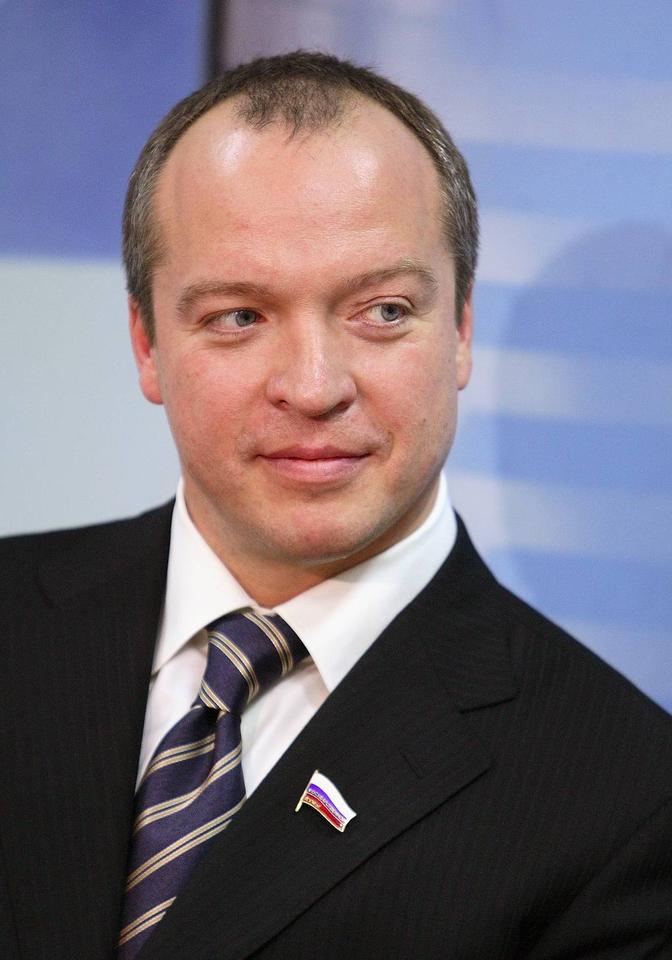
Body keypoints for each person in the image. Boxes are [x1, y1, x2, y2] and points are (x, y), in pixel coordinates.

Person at [1, 51, 670, 960]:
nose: (315, 387)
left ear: (460, 330)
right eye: (240, 316)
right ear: (146, 343)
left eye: (382, 311)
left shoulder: (627, 800)